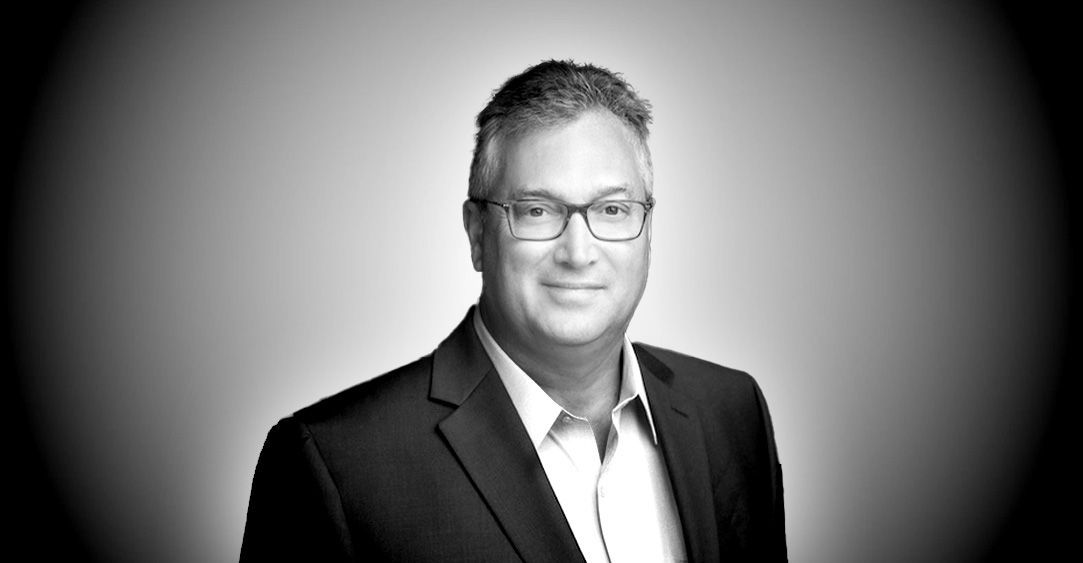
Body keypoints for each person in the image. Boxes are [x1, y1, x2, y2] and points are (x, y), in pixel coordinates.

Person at [240, 60, 786, 562]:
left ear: (647, 230)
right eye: (537, 210)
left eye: (613, 209)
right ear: (478, 234)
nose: (578, 251)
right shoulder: (335, 464)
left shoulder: (732, 414)